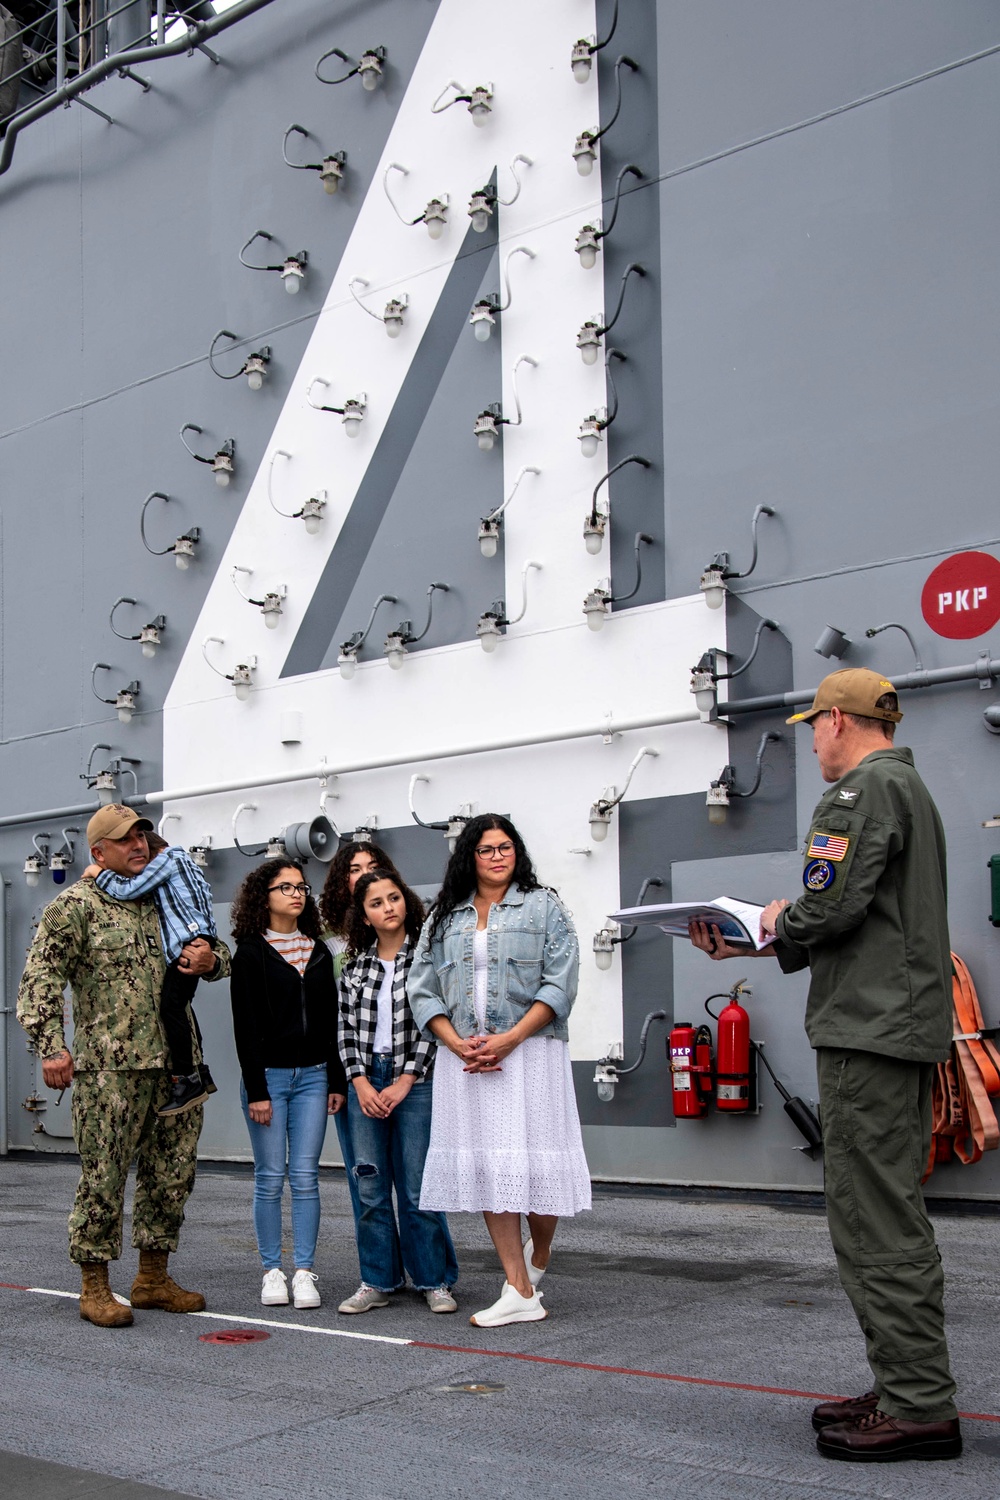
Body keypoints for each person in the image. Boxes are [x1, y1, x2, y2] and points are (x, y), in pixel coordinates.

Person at [690, 668, 961, 1463]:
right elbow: (863, 911)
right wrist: (761, 936)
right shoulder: (907, 789)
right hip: (894, 1025)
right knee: (886, 1208)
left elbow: (831, 904)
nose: (812, 738)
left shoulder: (858, 794)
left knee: (874, 1217)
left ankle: (919, 1405)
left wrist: (773, 919)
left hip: (868, 1031)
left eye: (815, 724)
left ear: (839, 721)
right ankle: (905, 1383)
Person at [16, 804, 229, 1328]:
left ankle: (152, 1279)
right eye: (124, 839)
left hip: (178, 1068)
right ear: (98, 852)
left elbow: (217, 946)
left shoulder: (162, 891)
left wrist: (213, 960)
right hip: (110, 1070)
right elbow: (40, 977)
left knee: (172, 1173)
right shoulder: (74, 907)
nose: (138, 845)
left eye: (142, 835)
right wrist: (50, 1045)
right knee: (103, 1176)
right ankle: (94, 1286)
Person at [409, 814, 591, 1328]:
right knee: (495, 1167)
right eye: (486, 848)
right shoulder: (443, 917)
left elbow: (561, 984)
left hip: (530, 1053)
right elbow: (422, 988)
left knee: (538, 1169)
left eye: (505, 846)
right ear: (470, 856)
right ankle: (518, 1287)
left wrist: (510, 1039)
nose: (497, 856)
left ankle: (541, 1249)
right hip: (467, 1058)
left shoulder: (545, 906)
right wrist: (456, 1044)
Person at [337, 869, 459, 1315]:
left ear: (405, 902)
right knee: (369, 1186)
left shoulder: (428, 961)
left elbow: (436, 1024)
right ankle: (377, 1280)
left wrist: (407, 1078)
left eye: (393, 898)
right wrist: (361, 1082)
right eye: (376, 903)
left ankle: (433, 1281)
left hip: (419, 1081)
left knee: (418, 1187)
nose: (387, 907)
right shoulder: (355, 969)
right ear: (365, 916)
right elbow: (345, 1030)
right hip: (367, 1079)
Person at [229, 858, 347, 1310]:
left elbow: (331, 1022)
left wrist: (335, 1078)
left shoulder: (319, 951)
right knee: (270, 1177)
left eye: (301, 887)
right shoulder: (250, 952)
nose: (297, 894)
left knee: (305, 1178)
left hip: (315, 1078)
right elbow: (246, 1027)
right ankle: (272, 1271)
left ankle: (304, 1272)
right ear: (265, 896)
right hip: (269, 1082)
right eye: (286, 887)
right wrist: (256, 1090)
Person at [83, 830, 218, 1117]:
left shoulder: (167, 859)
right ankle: (200, 1072)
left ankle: (187, 1081)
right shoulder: (187, 865)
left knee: (170, 1008)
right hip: (199, 939)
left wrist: (98, 873)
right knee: (182, 1008)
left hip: (190, 945)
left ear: (153, 851)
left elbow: (128, 890)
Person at [318, 840, 404, 1238]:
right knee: (365, 1177)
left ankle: (433, 1273)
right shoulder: (325, 933)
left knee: (416, 1181)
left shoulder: (399, 925)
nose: (363, 873)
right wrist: (344, 1078)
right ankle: (379, 1273)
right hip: (353, 1065)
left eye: (372, 865)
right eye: (354, 868)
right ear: (341, 878)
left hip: (405, 1063)